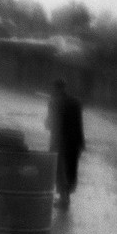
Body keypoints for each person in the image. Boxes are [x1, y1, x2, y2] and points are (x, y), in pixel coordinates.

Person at [45, 79, 85, 208]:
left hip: (60, 142)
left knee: (60, 170)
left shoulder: (55, 102)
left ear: (56, 88)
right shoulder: (76, 102)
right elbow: (79, 124)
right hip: (74, 142)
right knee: (70, 170)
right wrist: (81, 142)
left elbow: (49, 124)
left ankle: (64, 200)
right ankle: (66, 199)